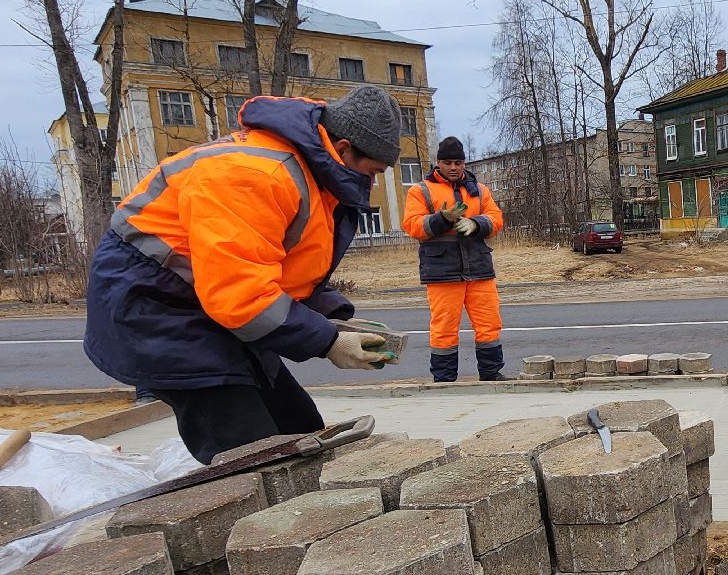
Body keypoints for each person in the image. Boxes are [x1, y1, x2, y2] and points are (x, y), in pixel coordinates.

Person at [83, 87, 403, 464]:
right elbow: (240, 295)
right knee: (254, 453)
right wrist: (325, 340)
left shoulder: (313, 174)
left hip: (209, 305)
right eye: (373, 172)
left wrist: (330, 317)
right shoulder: (256, 175)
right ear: (345, 148)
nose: (374, 183)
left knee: (299, 431)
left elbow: (277, 266)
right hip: (158, 311)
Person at [401, 136, 506, 382]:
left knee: (489, 324)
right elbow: (413, 226)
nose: (453, 167)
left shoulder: (479, 190)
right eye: (448, 162)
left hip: (479, 268)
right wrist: (443, 218)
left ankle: (491, 374)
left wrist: (476, 223)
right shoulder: (421, 191)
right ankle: (444, 380)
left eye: (458, 162)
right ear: (438, 163)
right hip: (442, 271)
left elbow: (496, 218)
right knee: (444, 329)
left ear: (464, 163)